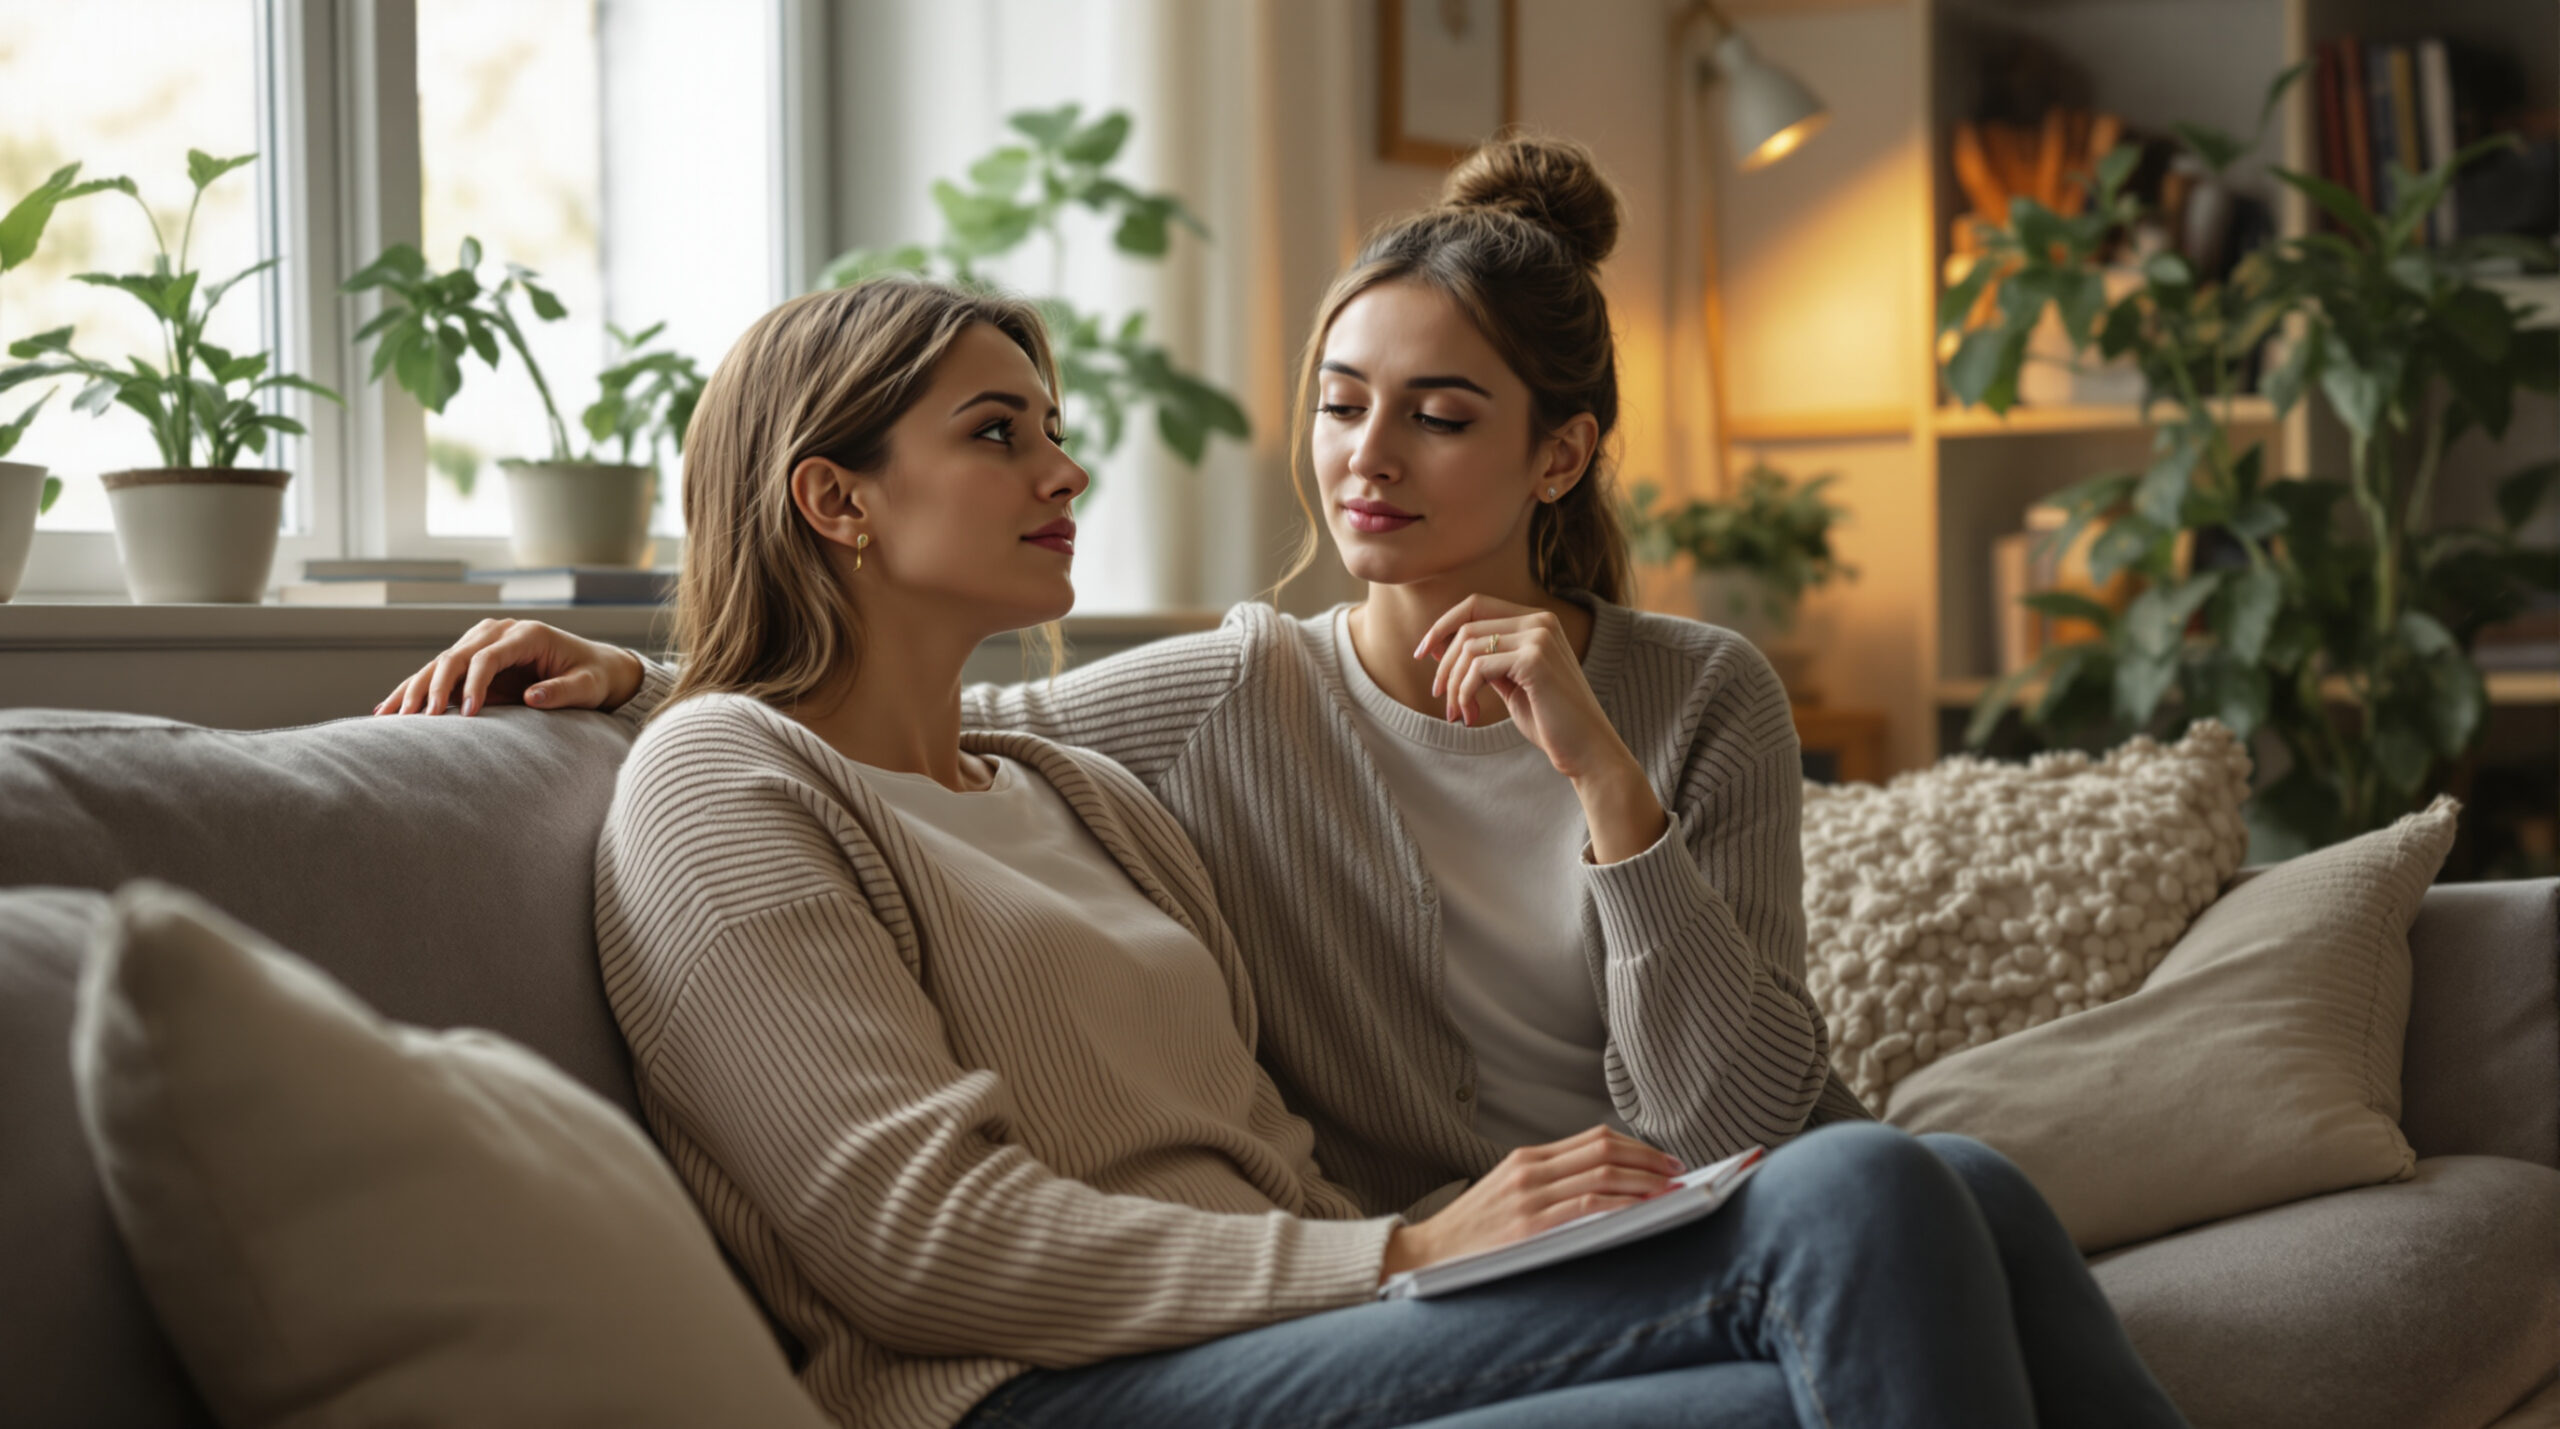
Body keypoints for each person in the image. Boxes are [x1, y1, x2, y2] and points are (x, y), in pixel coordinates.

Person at [387, 139, 2187, 1428]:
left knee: (1952, 1183)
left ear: (1560, 453)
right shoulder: (767, 773)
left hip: (1331, 1299)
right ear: (838, 499)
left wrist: (1601, 789)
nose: (1068, 469)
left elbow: (908, 731)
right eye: (999, 433)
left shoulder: (1058, 780)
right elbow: (919, 1244)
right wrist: (653, 684)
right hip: (1061, 1379)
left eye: (1440, 413)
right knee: (1865, 1200)